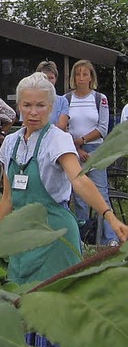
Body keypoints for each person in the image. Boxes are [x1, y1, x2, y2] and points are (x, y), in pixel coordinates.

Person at [0, 72, 128, 288]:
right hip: (23, 235)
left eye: (41, 105)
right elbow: (8, 199)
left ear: (52, 107)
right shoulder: (11, 143)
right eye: (27, 105)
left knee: (58, 305)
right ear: (19, 106)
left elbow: (80, 181)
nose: (33, 112)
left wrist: (110, 217)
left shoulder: (57, 140)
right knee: (22, 302)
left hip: (55, 234)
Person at [65, 59, 116, 245]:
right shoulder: (67, 99)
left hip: (96, 149)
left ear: (91, 77)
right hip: (73, 151)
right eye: (77, 74)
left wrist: (84, 141)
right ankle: (83, 236)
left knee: (101, 192)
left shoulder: (99, 99)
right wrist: (77, 148)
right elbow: (64, 128)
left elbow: (102, 128)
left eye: (85, 74)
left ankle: (109, 237)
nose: (81, 78)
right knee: (79, 196)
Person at [36, 60, 68, 130]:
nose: (48, 81)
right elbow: (27, 126)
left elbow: (61, 126)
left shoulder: (62, 101)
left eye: (51, 78)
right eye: (45, 78)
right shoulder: (30, 99)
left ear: (55, 79)